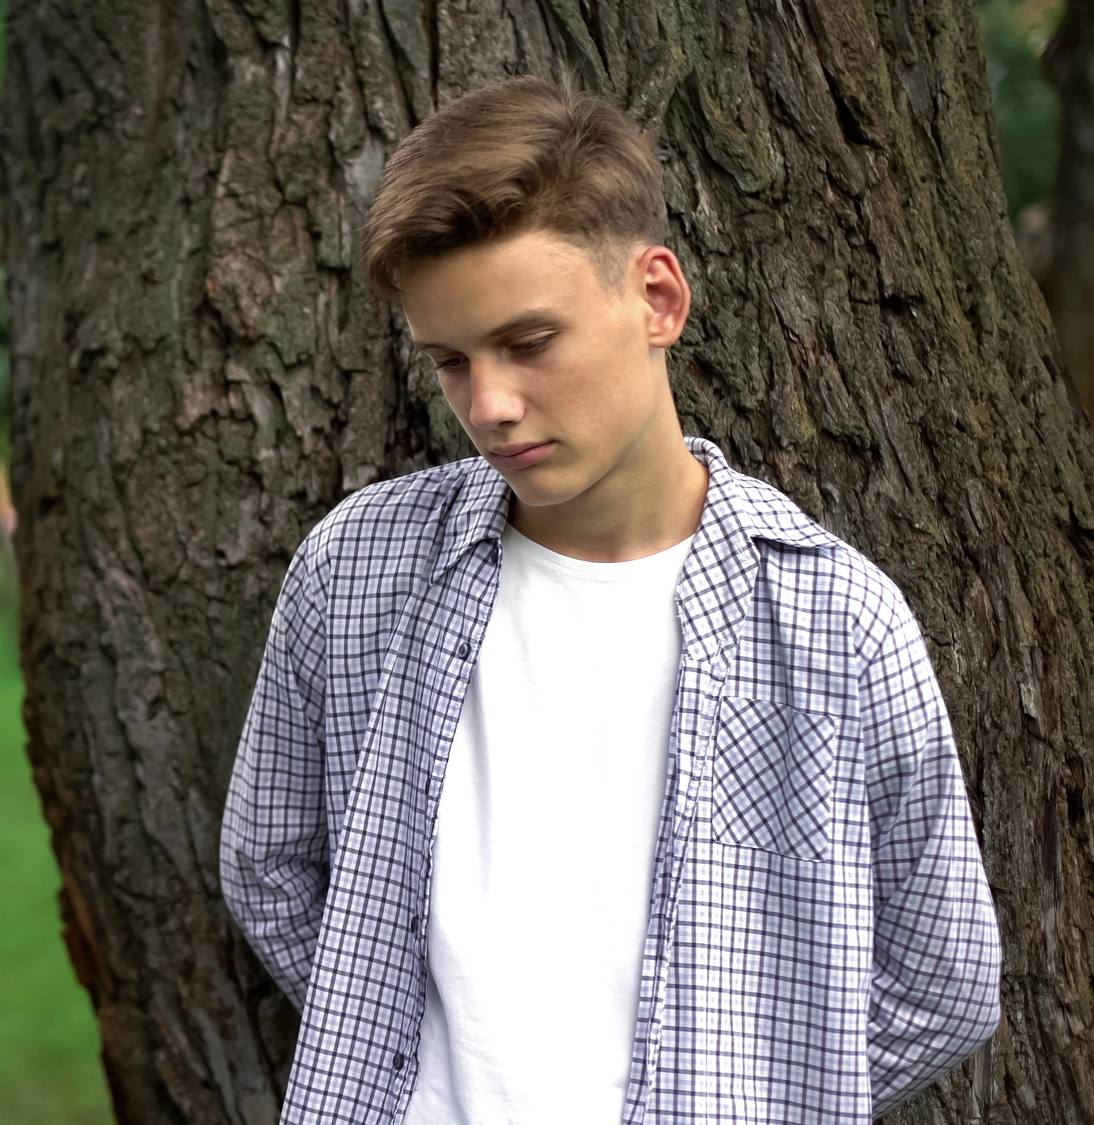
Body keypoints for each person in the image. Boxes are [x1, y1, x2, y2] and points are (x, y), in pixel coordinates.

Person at [219, 77, 1001, 1125]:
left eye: (528, 342)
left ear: (657, 301)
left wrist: (757, 1083)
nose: (488, 405)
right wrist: (384, 1040)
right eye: (450, 361)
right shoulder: (358, 567)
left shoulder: (833, 623)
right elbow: (270, 862)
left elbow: (940, 978)